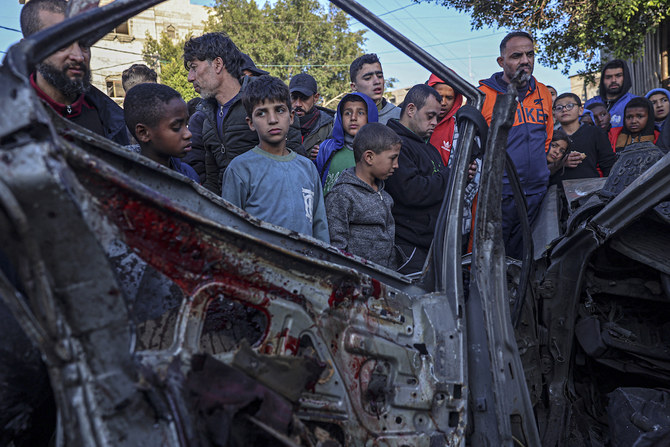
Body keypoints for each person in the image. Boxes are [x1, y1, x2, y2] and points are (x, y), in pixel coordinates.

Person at [184, 33, 304, 194]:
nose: (190, 78)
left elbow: (296, 162)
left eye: (194, 67)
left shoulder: (265, 98)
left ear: (217, 64)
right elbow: (213, 178)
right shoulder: (206, 114)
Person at [221, 75, 329, 242]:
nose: (272, 120)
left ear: (291, 116)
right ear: (251, 122)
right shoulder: (240, 169)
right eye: (262, 113)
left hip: (305, 264)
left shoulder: (307, 168)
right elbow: (230, 230)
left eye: (280, 110)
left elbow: (319, 226)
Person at [478, 31, 553, 259]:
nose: (525, 60)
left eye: (530, 54)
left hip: (536, 193)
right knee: (496, 257)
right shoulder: (483, 95)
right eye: (516, 55)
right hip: (502, 195)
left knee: (528, 256)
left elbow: (547, 138)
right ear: (502, 62)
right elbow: (477, 145)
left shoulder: (543, 92)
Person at [20, 0, 129, 145]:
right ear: (29, 49)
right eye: (62, 43)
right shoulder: (10, 116)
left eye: (84, 44)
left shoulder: (114, 120)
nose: (79, 56)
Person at [385, 84, 449, 274]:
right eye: (430, 116)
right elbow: (413, 191)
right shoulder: (395, 145)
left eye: (437, 117)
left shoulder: (428, 148)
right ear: (411, 109)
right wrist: (451, 175)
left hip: (430, 245)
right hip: (410, 248)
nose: (435, 122)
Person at [325, 123, 401, 268]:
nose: (396, 165)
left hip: (385, 279)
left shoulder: (384, 195)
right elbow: (335, 249)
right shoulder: (342, 196)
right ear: (369, 157)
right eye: (393, 158)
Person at [123, 83, 199, 182]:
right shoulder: (127, 182)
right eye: (176, 126)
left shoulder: (189, 174)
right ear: (143, 133)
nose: (188, 134)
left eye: (186, 124)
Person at [315, 92, 378, 195]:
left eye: (360, 113)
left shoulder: (377, 152)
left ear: (370, 116)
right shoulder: (327, 147)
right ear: (340, 117)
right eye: (347, 113)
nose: (353, 117)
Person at [551, 93, 615, 185]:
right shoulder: (551, 137)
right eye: (559, 108)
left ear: (581, 110)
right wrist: (561, 164)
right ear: (554, 114)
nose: (564, 109)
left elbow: (609, 165)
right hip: (558, 192)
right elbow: (543, 171)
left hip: (590, 190)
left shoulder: (595, 133)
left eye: (569, 105)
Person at [289, 73, 335, 160]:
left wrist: (327, 154)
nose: (298, 104)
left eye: (304, 98)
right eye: (294, 98)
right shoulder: (279, 124)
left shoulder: (331, 127)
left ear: (316, 97)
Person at [585, 60, 637, 129]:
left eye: (618, 76)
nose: (613, 80)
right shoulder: (590, 104)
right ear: (602, 80)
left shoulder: (635, 102)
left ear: (625, 78)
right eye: (608, 77)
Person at [349, 54, 400, 124]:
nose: (377, 81)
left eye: (380, 76)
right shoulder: (343, 118)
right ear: (353, 86)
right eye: (368, 78)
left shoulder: (398, 116)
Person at [426, 74, 463, 166]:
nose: (443, 102)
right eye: (438, 96)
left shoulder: (458, 128)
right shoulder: (414, 122)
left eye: (449, 98)